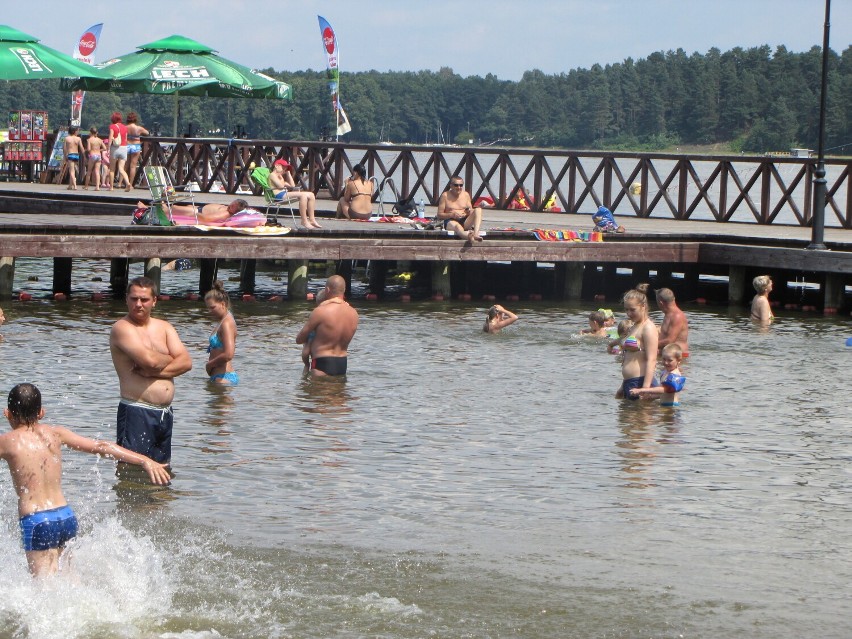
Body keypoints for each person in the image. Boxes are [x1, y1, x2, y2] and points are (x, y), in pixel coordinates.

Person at [0, 383, 171, 577]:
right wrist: (145, 460)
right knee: (71, 584)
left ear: (8, 414)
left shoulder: (6, 441)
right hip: (65, 517)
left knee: (43, 591)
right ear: (41, 412)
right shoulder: (56, 434)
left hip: (38, 520)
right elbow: (101, 446)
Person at [109, 277, 192, 464]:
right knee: (133, 475)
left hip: (164, 413)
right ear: (126, 299)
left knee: (162, 473)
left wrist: (154, 373)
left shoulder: (164, 327)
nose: (138, 304)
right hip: (137, 411)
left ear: (154, 301)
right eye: (133, 298)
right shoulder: (122, 328)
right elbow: (150, 361)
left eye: (144, 299)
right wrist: (170, 358)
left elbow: (186, 362)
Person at [295, 275, 358, 377]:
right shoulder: (354, 313)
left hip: (321, 362)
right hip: (342, 364)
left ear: (327, 289)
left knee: (316, 391)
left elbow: (299, 339)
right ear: (344, 290)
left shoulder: (321, 311)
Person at [617, 287, 658, 400]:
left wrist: (645, 388)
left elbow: (652, 359)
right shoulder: (634, 326)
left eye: (632, 309)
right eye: (626, 310)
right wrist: (623, 384)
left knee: (639, 417)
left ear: (643, 307)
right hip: (629, 382)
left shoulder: (648, 328)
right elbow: (630, 358)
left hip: (640, 382)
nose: (629, 313)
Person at [268, 159, 321, 229]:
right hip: (278, 196)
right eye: (283, 168)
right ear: (276, 166)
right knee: (303, 195)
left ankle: (312, 219)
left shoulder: (280, 177)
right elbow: (280, 187)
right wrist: (284, 183)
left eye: (285, 169)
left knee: (311, 194)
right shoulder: (272, 175)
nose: (284, 170)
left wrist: (288, 174)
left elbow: (292, 186)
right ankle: (304, 221)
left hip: (284, 194)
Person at [204, 281, 238, 385]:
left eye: (212, 307)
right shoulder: (223, 321)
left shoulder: (226, 323)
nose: (210, 311)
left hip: (224, 378)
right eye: (208, 308)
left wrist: (209, 365)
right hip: (218, 377)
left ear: (222, 304)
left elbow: (228, 354)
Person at [437, 177, 483, 242]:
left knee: (478, 210)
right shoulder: (445, 195)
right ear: (451, 186)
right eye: (456, 185)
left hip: (464, 220)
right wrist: (451, 215)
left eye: (461, 185)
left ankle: (476, 234)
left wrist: (468, 212)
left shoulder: (466, 195)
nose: (459, 187)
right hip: (451, 220)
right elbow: (439, 215)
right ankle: (468, 237)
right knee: (457, 227)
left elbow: (471, 210)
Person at [137, 198, 248, 224]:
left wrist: (194, 214)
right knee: (173, 208)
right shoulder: (228, 209)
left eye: (232, 206)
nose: (230, 206)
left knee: (170, 209)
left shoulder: (226, 213)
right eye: (231, 204)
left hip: (197, 213)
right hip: (198, 209)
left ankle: (145, 209)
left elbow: (208, 218)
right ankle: (150, 207)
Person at [655, 287, 689, 357]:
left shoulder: (677, 316)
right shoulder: (668, 314)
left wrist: (648, 344)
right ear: (674, 299)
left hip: (677, 356)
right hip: (666, 354)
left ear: (660, 303)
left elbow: (669, 341)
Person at [301, 288, 328, 369]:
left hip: (314, 331)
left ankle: (306, 364)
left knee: (307, 345)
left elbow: (299, 339)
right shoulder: (333, 313)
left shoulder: (317, 312)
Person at [125, 112, 149, 188]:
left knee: (125, 165)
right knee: (133, 166)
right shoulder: (138, 128)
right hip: (135, 146)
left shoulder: (125, 127)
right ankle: (131, 184)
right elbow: (147, 133)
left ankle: (123, 182)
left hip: (127, 145)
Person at [107, 112, 130, 192]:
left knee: (112, 169)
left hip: (115, 148)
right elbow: (126, 139)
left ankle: (111, 187)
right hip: (124, 148)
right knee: (121, 169)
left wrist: (108, 148)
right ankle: (127, 183)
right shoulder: (125, 127)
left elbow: (110, 138)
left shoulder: (112, 126)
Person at [62, 126, 85, 191]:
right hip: (76, 155)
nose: (77, 132)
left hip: (70, 154)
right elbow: (82, 148)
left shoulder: (67, 138)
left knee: (71, 171)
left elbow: (64, 148)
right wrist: (85, 156)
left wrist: (65, 156)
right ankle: (70, 185)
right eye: (77, 131)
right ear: (74, 131)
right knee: (73, 170)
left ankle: (75, 186)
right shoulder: (78, 139)